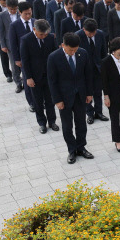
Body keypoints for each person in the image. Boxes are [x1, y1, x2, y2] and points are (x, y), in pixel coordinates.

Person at [48, 33, 94, 164]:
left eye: (75, 49)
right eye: (70, 50)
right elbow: (52, 81)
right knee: (67, 126)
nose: (73, 52)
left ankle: (81, 147)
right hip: (64, 98)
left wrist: (89, 93)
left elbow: (88, 74)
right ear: (63, 45)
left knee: (81, 124)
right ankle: (72, 150)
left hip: (80, 95)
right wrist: (57, 100)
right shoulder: (54, 57)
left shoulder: (83, 53)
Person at [20, 19, 58, 133]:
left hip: (48, 75)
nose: (43, 36)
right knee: (38, 102)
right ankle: (42, 123)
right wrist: (28, 77)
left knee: (50, 100)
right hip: (34, 77)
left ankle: (52, 122)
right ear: (34, 29)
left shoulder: (50, 37)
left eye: (45, 34)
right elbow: (25, 61)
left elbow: (55, 55)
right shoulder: (26, 40)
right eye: (41, 34)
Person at [77, 18, 109, 124]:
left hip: (97, 68)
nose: (92, 35)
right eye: (89, 33)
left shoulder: (100, 34)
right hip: (84, 70)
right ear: (83, 29)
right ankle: (89, 113)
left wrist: (104, 66)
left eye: (93, 32)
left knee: (98, 91)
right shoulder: (77, 36)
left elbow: (104, 52)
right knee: (87, 92)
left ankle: (99, 112)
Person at [9, 1, 36, 112]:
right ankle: (31, 102)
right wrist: (17, 59)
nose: (28, 16)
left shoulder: (36, 22)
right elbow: (13, 43)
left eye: (30, 13)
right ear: (20, 13)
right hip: (23, 58)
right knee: (27, 79)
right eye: (26, 14)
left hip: (36, 57)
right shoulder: (14, 25)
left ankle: (40, 100)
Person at [0, 0, 20, 88]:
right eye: (11, 9)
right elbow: (1, 31)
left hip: (21, 42)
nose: (14, 11)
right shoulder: (2, 15)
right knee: (14, 64)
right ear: (7, 7)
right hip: (10, 44)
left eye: (15, 9)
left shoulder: (21, 13)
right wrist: (3, 45)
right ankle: (18, 82)